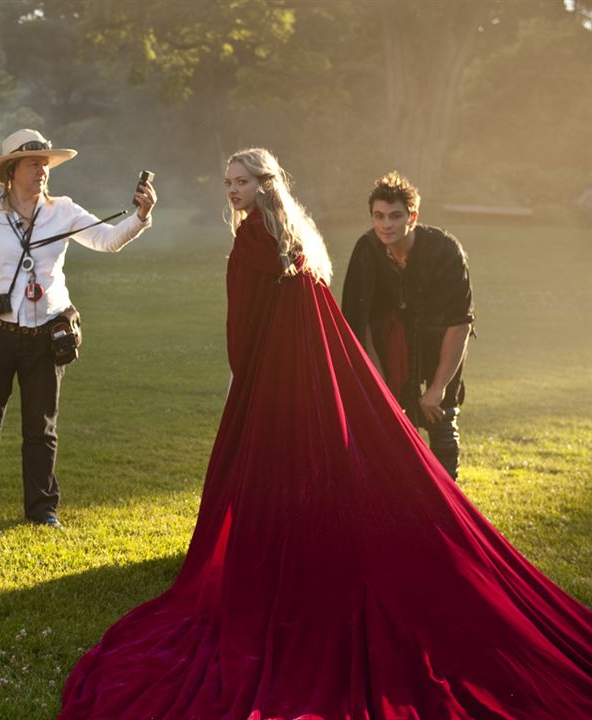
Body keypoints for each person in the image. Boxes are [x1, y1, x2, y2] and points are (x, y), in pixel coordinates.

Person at [58, 148, 591, 718]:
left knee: (269, 471)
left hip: (276, 378)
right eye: (227, 181)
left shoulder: (252, 240)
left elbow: (243, 328)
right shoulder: (299, 239)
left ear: (265, 185)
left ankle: (283, 569)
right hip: (314, 375)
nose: (232, 190)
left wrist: (247, 379)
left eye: (241, 181)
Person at [0, 129, 156, 529]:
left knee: (41, 428)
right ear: (11, 170)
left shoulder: (64, 210)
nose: (42, 170)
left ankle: (42, 510)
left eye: (45, 164)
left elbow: (107, 241)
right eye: (32, 163)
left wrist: (140, 217)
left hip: (46, 336)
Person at [341, 172, 473, 479]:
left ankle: (448, 507)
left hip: (438, 346)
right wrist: (379, 379)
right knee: (390, 434)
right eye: (379, 216)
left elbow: (459, 323)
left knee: (442, 426)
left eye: (395, 216)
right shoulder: (367, 250)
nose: (386, 224)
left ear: (412, 217)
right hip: (391, 348)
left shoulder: (445, 251)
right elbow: (360, 323)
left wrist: (438, 387)